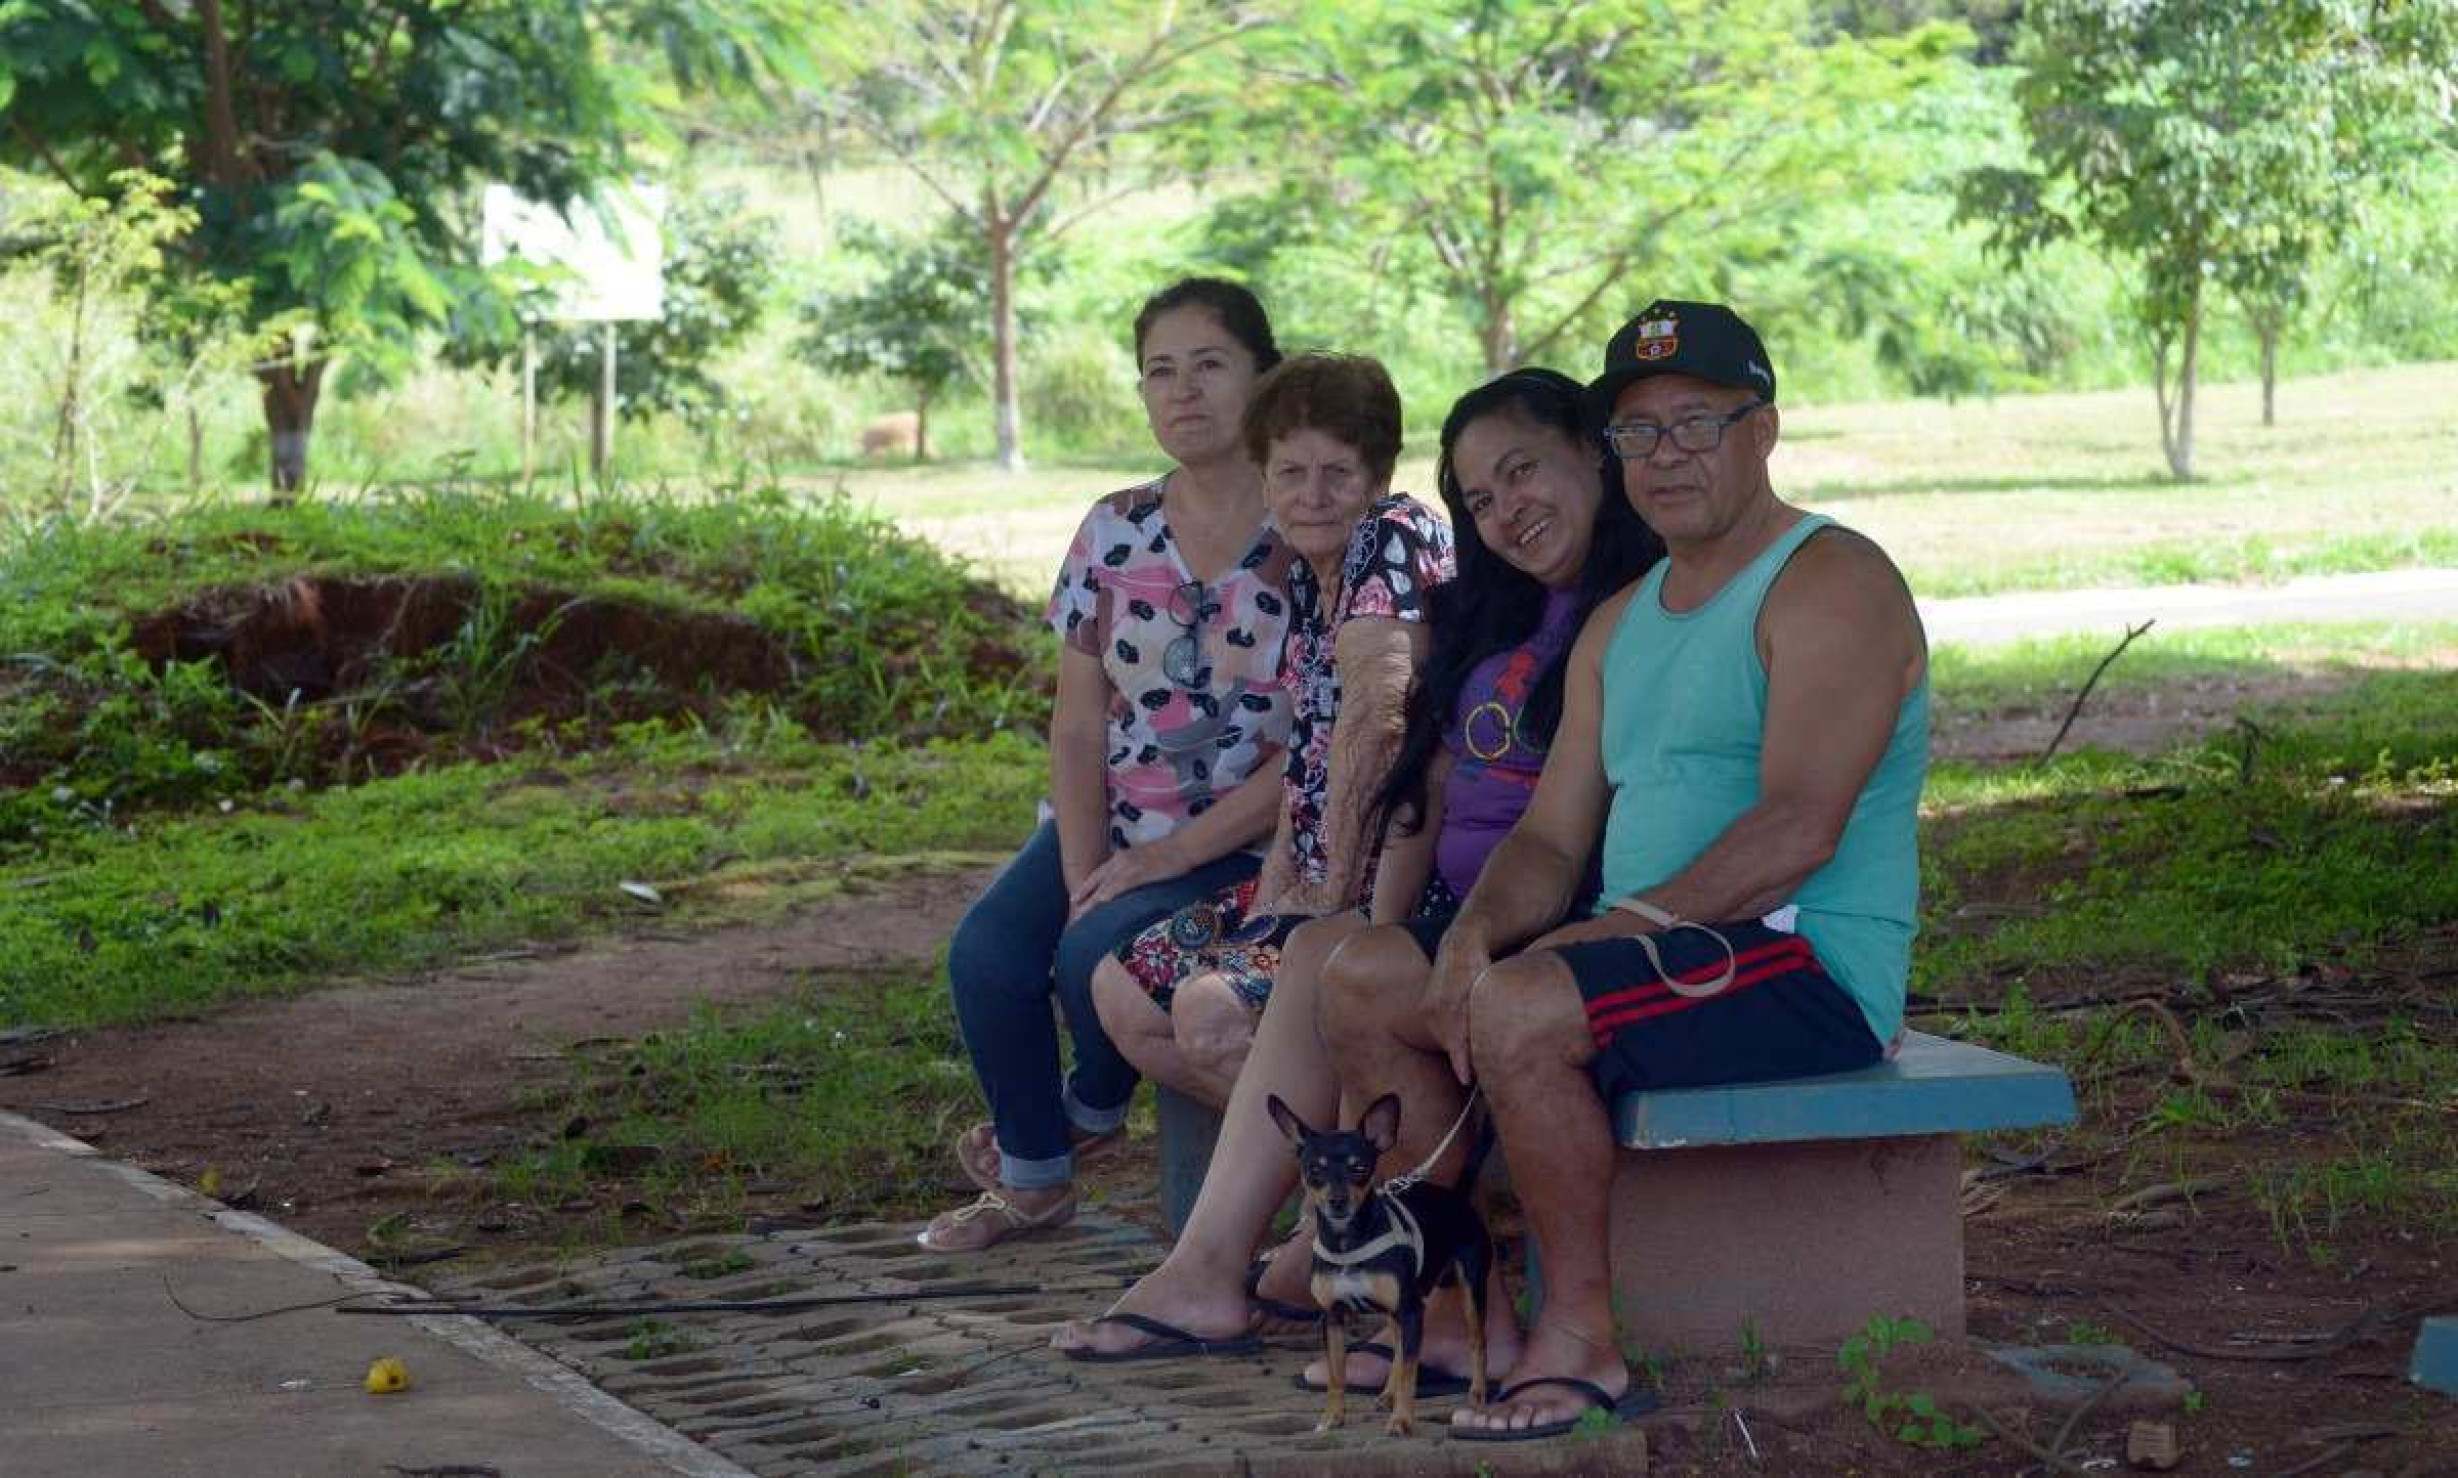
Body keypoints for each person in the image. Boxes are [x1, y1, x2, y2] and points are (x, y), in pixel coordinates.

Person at [1336, 300, 1929, 1440]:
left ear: (1763, 428)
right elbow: (1551, 840)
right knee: (1365, 974)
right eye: (1638, 433)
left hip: (1803, 960)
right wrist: (1469, 936)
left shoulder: (1830, 580)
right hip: (1667, 941)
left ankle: (1583, 1339)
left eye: (1696, 423)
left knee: (1523, 1001)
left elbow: (1801, 826)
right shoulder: (1622, 618)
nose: (1666, 457)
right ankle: (1465, 1317)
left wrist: (1608, 934)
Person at [1051, 367, 1662, 1364]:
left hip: (1544, 917)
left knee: (1312, 967)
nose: (1505, 509)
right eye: (1481, 495)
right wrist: (1337, 904)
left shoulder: (1626, 609)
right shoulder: (1500, 607)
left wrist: (1363, 905)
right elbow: (1421, 772)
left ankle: (1280, 1258)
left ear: (1592, 454)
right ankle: (1225, 1265)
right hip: (1458, 903)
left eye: (1524, 474)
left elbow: (1391, 725)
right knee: (1296, 959)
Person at [922, 279, 1299, 1254]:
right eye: (1159, 371)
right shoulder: (1113, 528)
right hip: (1119, 822)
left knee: (1096, 957)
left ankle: (1084, 1112)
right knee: (991, 954)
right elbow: (1079, 723)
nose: (1183, 391)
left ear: (1265, 375)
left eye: (1210, 364)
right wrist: (1090, 870)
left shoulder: (1311, 526)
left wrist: (1160, 864)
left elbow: (1314, 743)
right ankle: (1037, 1180)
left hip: (1250, 839)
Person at [1086, 353, 1454, 1109]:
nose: (1312, 496)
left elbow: (1377, 723)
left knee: (1209, 1010)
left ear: (1377, 475)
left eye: (1338, 473)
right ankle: (1347, 1170)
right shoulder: (1305, 576)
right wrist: (1278, 891)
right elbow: (1310, 756)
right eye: (1290, 473)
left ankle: (1367, 1190)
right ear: (1264, 478)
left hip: (1400, 889)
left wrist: (1321, 902)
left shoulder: (1391, 535)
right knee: (1122, 989)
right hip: (1320, 874)